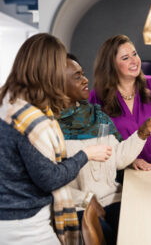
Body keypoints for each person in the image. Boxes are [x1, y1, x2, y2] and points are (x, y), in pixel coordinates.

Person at [0, 34, 111, 245]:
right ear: (49, 71)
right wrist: (86, 155)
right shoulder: (28, 120)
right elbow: (49, 178)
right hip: (24, 226)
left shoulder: (6, 105)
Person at [59, 54, 151, 244]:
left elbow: (118, 158)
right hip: (78, 206)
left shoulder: (98, 116)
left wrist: (143, 132)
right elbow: (49, 180)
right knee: (107, 234)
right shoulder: (49, 126)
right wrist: (86, 199)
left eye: (83, 74)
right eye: (77, 76)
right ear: (57, 83)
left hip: (113, 199)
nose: (86, 80)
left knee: (145, 225)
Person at [89, 35, 151, 170]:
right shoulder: (97, 96)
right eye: (125, 58)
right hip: (121, 172)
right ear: (112, 66)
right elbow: (96, 143)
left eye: (135, 54)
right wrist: (129, 160)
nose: (134, 60)